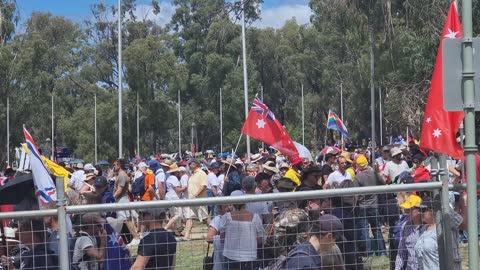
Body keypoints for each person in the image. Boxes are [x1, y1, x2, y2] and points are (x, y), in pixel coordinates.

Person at [414, 195, 466, 270]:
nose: (420, 213)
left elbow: (462, 224)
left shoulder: (444, 227)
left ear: (434, 211)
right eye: (419, 210)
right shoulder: (422, 230)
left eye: (424, 210)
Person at [221, 190, 264, 270]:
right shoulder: (256, 217)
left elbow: (222, 239)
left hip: (230, 256)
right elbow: (260, 240)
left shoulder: (226, 217)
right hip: (249, 257)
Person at [354, 154, 387, 257]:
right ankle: (382, 252)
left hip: (363, 207)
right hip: (374, 206)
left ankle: (367, 252)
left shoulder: (357, 177)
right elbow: (383, 183)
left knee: (364, 230)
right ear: (367, 163)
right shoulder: (373, 174)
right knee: (376, 229)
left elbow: (355, 194)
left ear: (358, 166)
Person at [112, 159, 139, 246]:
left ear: (119, 165)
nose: (114, 167)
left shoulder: (122, 175)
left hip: (122, 199)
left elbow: (120, 190)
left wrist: (112, 198)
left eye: (115, 165)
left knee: (127, 220)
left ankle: (135, 237)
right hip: (121, 199)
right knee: (123, 220)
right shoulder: (120, 175)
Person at [183, 159, 209, 241]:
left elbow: (203, 186)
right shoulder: (191, 174)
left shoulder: (202, 173)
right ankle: (186, 236)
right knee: (189, 217)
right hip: (191, 200)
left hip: (199, 200)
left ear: (195, 164)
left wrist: (196, 194)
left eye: (190, 164)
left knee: (205, 218)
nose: (189, 165)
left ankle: (215, 231)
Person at [394, 194, 422, 270]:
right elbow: (401, 251)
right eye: (406, 209)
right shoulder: (405, 226)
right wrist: (397, 268)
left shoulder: (427, 228)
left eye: (409, 209)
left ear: (418, 210)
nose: (406, 212)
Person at [206, 204, 232, 270]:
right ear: (220, 209)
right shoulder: (217, 219)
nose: (229, 208)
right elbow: (209, 238)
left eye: (230, 205)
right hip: (221, 254)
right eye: (225, 206)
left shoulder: (236, 217)